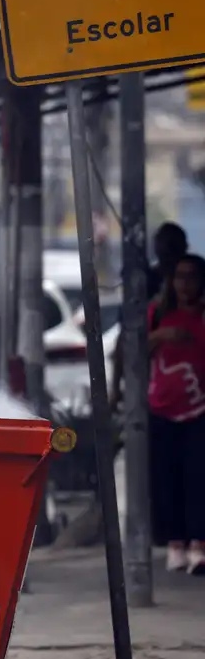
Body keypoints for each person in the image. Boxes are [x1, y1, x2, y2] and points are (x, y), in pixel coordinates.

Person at [146, 253, 205, 575]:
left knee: (198, 478)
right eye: (179, 276)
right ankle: (175, 544)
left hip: (198, 408)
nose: (185, 284)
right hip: (162, 407)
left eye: (191, 276)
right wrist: (160, 337)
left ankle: (199, 543)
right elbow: (130, 350)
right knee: (166, 479)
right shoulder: (157, 314)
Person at [110, 221, 188, 406]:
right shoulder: (147, 281)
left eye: (172, 245)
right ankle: (116, 392)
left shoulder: (194, 273)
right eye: (164, 245)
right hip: (150, 356)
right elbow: (126, 333)